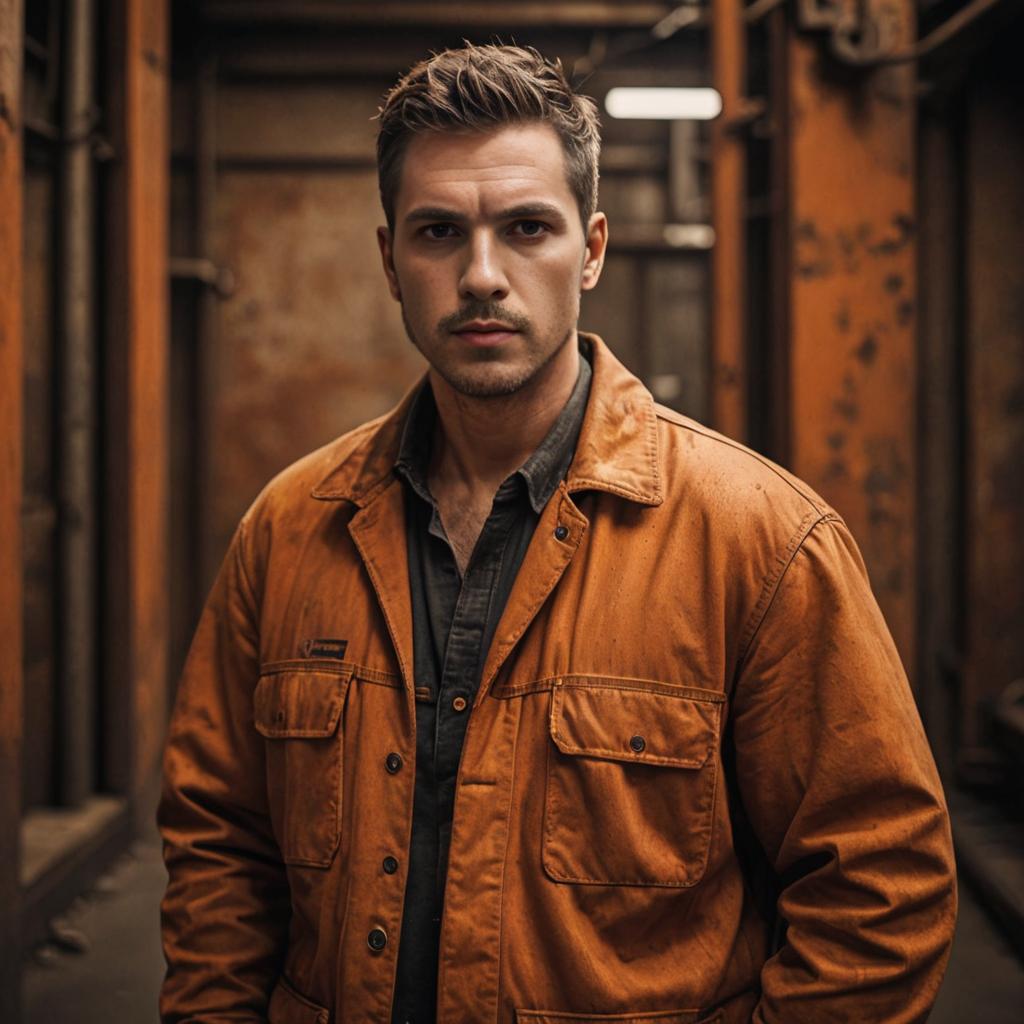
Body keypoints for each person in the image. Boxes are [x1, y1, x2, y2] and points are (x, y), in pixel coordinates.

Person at [158, 43, 956, 1024]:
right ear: (389, 259)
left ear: (590, 248)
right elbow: (218, 845)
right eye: (438, 231)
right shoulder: (290, 530)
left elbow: (881, 886)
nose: (481, 275)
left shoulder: (761, 542)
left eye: (526, 228)